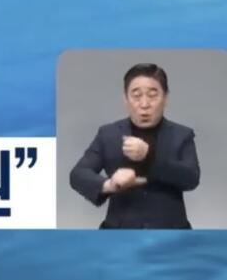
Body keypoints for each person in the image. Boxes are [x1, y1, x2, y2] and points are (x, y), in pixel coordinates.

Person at [68, 63, 200, 229]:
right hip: (119, 232)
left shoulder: (182, 135)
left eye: (152, 95)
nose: (144, 104)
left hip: (170, 232)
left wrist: (149, 156)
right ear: (125, 99)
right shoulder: (109, 134)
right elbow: (78, 174)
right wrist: (110, 185)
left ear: (166, 98)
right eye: (136, 96)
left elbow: (191, 179)